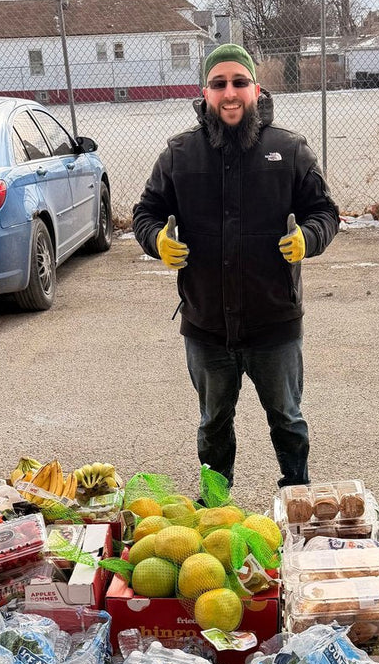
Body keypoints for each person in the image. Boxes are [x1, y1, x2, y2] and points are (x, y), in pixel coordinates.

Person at [133, 43, 340, 488]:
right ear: (205, 93)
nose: (230, 93)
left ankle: (296, 499)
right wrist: (157, 241)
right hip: (206, 324)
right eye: (219, 84)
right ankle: (216, 507)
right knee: (212, 424)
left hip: (274, 321)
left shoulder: (288, 150)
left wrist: (308, 238)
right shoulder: (179, 155)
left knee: (288, 420)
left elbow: (325, 212)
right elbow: (145, 213)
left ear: (256, 90)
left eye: (239, 82)